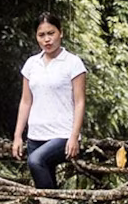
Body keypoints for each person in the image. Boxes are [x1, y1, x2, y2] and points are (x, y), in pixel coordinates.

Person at [13, 11, 86, 191]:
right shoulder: (31, 64)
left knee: (36, 161)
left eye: (51, 33)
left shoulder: (73, 63)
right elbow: (25, 101)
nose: (47, 39)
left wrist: (74, 136)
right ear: (36, 37)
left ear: (60, 32)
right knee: (46, 184)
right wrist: (17, 136)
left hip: (62, 134)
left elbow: (80, 102)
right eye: (41, 35)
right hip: (36, 135)